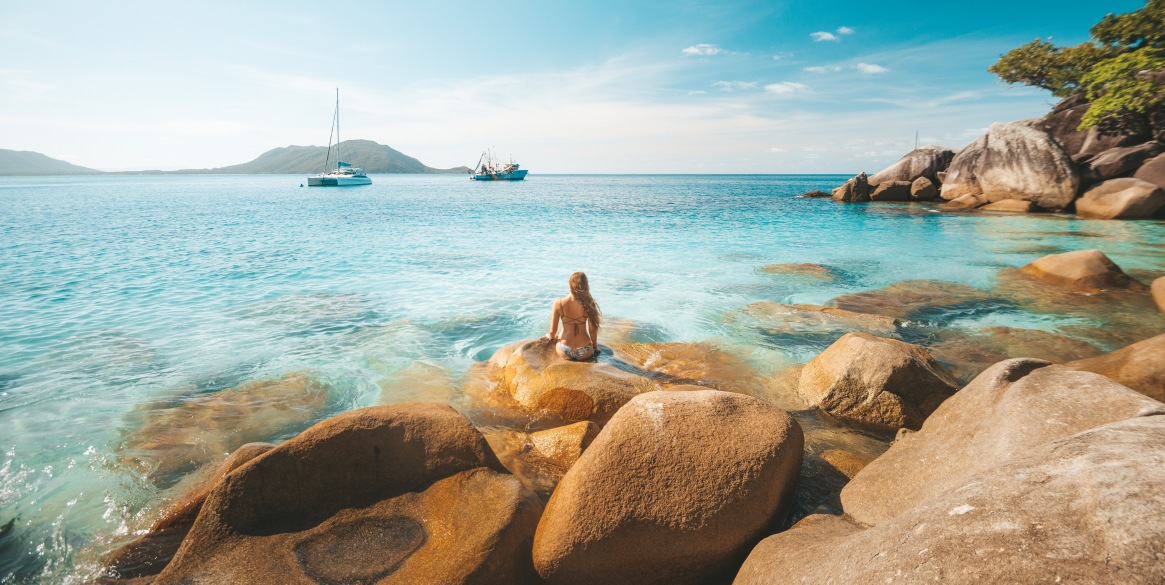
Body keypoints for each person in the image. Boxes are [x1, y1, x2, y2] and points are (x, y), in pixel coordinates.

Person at [546, 272, 601, 361]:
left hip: (564, 349)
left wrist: (551, 337)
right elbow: (593, 330)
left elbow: (553, 331)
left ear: (570, 285)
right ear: (586, 286)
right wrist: (595, 346)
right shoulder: (589, 304)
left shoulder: (558, 303)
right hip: (585, 350)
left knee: (560, 334)